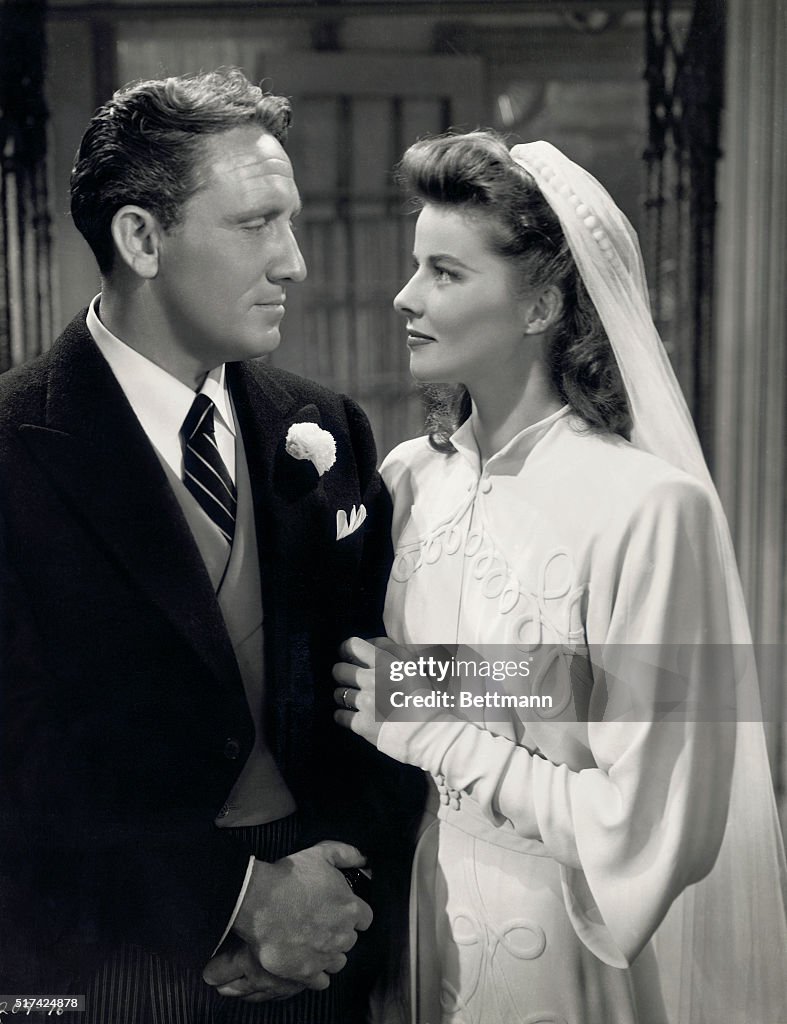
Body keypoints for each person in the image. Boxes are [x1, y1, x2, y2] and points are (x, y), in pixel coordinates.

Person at [333, 132, 787, 1023]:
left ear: (540, 303)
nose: (405, 296)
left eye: (444, 272)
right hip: (410, 945)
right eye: (413, 266)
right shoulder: (404, 480)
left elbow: (653, 819)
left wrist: (434, 732)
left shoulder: (650, 510)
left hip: (561, 956)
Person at [0, 68, 421, 1023]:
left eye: (294, 221)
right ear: (141, 238)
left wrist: (340, 895)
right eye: (255, 223)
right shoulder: (13, 445)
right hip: (104, 961)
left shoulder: (327, 426)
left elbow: (381, 683)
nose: (294, 262)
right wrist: (229, 901)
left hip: (322, 941)